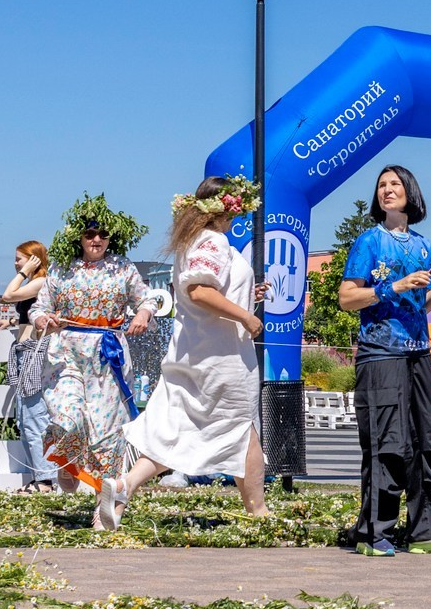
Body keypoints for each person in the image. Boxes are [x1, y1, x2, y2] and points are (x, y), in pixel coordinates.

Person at [111, 178, 269, 528]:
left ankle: (124, 487)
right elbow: (199, 291)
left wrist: (247, 295)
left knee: (176, 431)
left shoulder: (192, 240)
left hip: (192, 351)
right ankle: (259, 514)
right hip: (223, 357)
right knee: (243, 429)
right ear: (225, 208)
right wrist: (245, 316)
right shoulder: (213, 240)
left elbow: (204, 290)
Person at [339, 164, 431, 555]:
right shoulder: (369, 242)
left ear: (411, 192)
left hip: (419, 353)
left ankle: (427, 530)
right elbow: (347, 298)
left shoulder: (425, 247)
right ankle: (374, 533)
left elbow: (418, 307)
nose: (387, 190)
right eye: (381, 185)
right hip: (380, 355)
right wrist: (393, 285)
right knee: (387, 443)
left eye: (395, 184)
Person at [32, 201, 158, 497]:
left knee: (106, 430)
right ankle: (68, 458)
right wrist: (43, 320)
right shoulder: (61, 268)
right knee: (67, 416)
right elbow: (39, 307)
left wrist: (142, 314)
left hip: (107, 355)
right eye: (90, 234)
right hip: (66, 354)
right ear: (79, 237)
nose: (96, 239)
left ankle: (106, 499)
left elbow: (147, 299)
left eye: (102, 234)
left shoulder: (122, 267)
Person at [3, 241, 58, 490]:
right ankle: (39, 476)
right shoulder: (34, 285)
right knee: (25, 419)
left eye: (20, 259)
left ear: (34, 259)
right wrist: (12, 322)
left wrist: (24, 272)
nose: (16, 264)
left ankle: (45, 479)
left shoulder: (40, 281)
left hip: (34, 354)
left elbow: (8, 295)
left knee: (34, 417)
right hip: (25, 352)